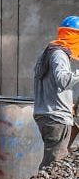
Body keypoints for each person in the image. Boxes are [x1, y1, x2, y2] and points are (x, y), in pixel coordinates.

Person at [33, 16, 79, 168]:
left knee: (52, 163)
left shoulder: (48, 52)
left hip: (47, 115)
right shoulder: (59, 55)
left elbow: (51, 84)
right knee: (53, 166)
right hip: (57, 118)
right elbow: (63, 80)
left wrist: (67, 102)